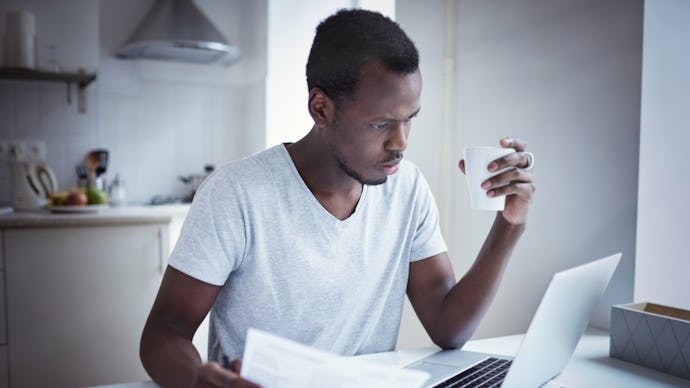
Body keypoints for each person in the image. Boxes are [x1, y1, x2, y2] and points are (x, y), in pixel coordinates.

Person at [140, 8, 535, 388]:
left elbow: (450, 328)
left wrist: (509, 224)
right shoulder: (237, 193)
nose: (400, 144)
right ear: (321, 108)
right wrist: (196, 379)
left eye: (409, 119)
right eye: (380, 124)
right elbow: (164, 334)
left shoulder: (408, 188)